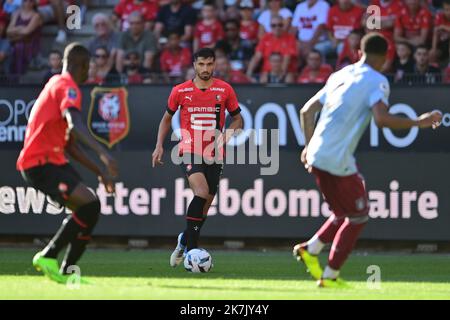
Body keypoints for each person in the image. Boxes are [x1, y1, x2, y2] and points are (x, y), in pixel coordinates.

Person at [294, 33, 442, 288]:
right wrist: (421, 121)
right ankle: (329, 276)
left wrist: (308, 147)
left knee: (342, 212)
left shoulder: (340, 74)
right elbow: (382, 119)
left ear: (359, 52)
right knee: (359, 216)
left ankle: (311, 248)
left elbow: (307, 111)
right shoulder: (377, 81)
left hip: (317, 154)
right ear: (385, 57)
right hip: (336, 158)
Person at [17, 43, 119, 284]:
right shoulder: (67, 87)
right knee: (88, 206)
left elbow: (70, 145)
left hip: (52, 160)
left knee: (90, 208)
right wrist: (104, 154)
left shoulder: (55, 83)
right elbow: (75, 125)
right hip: (40, 163)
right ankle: (49, 256)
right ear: (80, 65)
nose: (88, 74)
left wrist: (100, 172)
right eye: (87, 68)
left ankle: (67, 272)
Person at [152, 48, 243, 267]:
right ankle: (192, 250)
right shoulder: (180, 91)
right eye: (201, 64)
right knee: (201, 192)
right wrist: (159, 146)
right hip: (189, 149)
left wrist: (229, 134)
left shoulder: (225, 89)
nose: (205, 69)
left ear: (215, 65)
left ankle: (184, 239)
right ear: (194, 64)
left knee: (204, 208)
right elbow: (166, 119)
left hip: (215, 154)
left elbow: (238, 119)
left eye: (210, 64)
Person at [6, 0, 41, 74]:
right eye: (25, 1)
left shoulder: (36, 15)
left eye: (30, 1)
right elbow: (8, 31)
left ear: (33, 3)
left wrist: (15, 29)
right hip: (14, 41)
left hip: (30, 43)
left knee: (19, 47)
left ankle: (19, 74)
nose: (28, 3)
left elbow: (27, 32)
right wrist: (21, 28)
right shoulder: (16, 13)